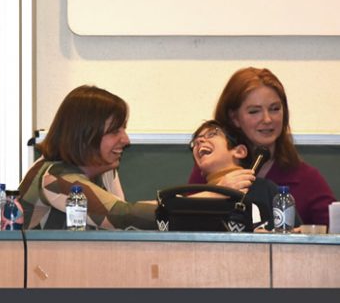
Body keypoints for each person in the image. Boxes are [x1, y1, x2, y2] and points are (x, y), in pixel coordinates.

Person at [188, 67, 336, 226]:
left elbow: (333, 234)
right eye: (254, 111)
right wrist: (216, 193)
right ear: (234, 118)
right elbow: (174, 215)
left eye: (275, 109)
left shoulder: (306, 178)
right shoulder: (210, 170)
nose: (267, 119)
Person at [18, 85, 156, 230]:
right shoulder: (54, 178)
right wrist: (178, 209)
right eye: (115, 131)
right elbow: (121, 216)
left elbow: (121, 229)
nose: (126, 140)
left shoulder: (105, 169)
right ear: (85, 136)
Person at [189, 119, 301, 231]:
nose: (199, 141)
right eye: (195, 142)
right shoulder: (195, 198)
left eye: (211, 134)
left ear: (239, 151)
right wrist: (217, 193)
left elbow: (297, 237)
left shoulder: (266, 190)